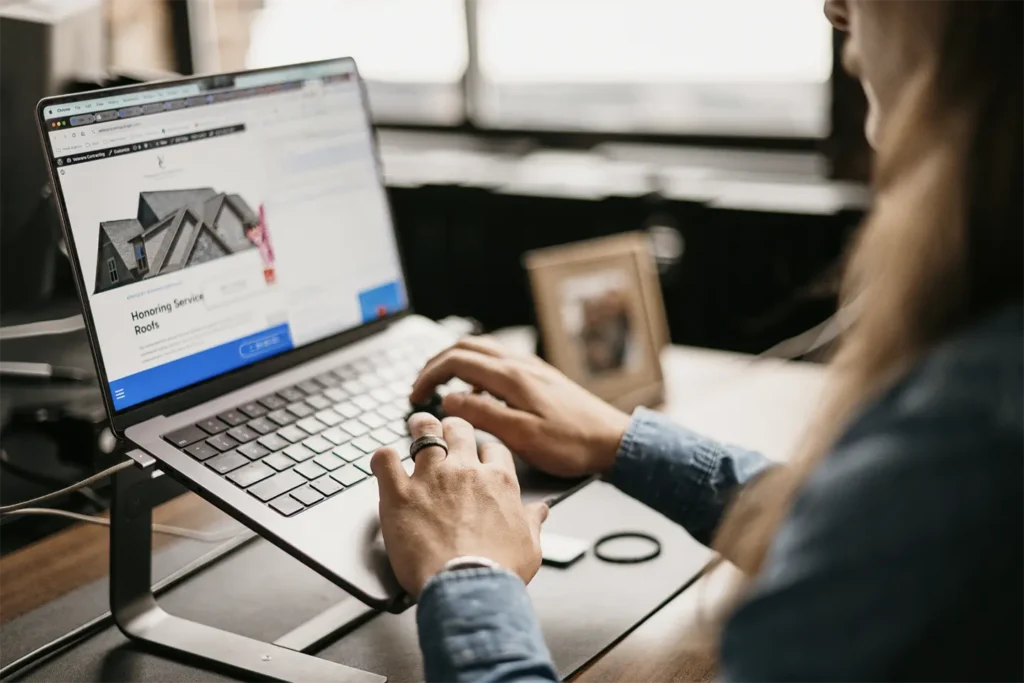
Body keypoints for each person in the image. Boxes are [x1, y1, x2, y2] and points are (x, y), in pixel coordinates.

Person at [369, 0, 1024, 680]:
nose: (833, 8)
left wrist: (466, 573)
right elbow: (890, 541)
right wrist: (622, 440)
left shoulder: (979, 424)